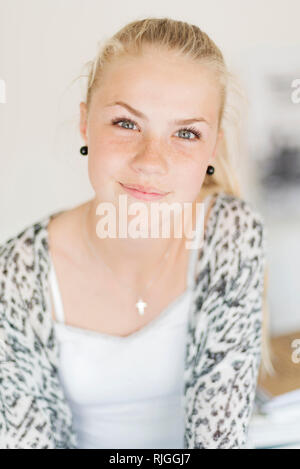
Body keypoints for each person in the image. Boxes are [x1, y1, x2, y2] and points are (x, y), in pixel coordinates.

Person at [0, 17, 272, 449]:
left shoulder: (230, 235)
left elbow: (219, 438)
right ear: (86, 123)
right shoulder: (17, 272)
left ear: (211, 150)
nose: (151, 160)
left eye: (186, 133)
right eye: (126, 123)